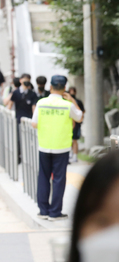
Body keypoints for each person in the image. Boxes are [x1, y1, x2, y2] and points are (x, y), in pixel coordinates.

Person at [30, 75, 83, 221]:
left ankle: (43, 211)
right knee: (59, 179)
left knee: (43, 177)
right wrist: (72, 99)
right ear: (65, 88)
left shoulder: (41, 103)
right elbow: (80, 117)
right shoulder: (67, 105)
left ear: (50, 87)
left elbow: (34, 124)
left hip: (45, 145)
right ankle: (55, 212)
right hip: (62, 147)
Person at [6, 74, 38, 161]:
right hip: (18, 119)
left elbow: (34, 108)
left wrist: (35, 120)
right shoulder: (16, 93)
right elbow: (9, 104)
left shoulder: (32, 94)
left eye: (28, 80)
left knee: (28, 140)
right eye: (25, 80)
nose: (26, 81)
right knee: (18, 139)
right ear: (20, 81)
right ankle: (19, 157)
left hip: (28, 120)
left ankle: (28, 157)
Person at [68, 86, 84, 162]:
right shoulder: (66, 102)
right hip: (68, 123)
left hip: (76, 124)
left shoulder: (78, 102)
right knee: (68, 140)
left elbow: (82, 112)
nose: (72, 93)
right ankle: (70, 153)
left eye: (73, 91)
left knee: (75, 140)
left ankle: (75, 155)